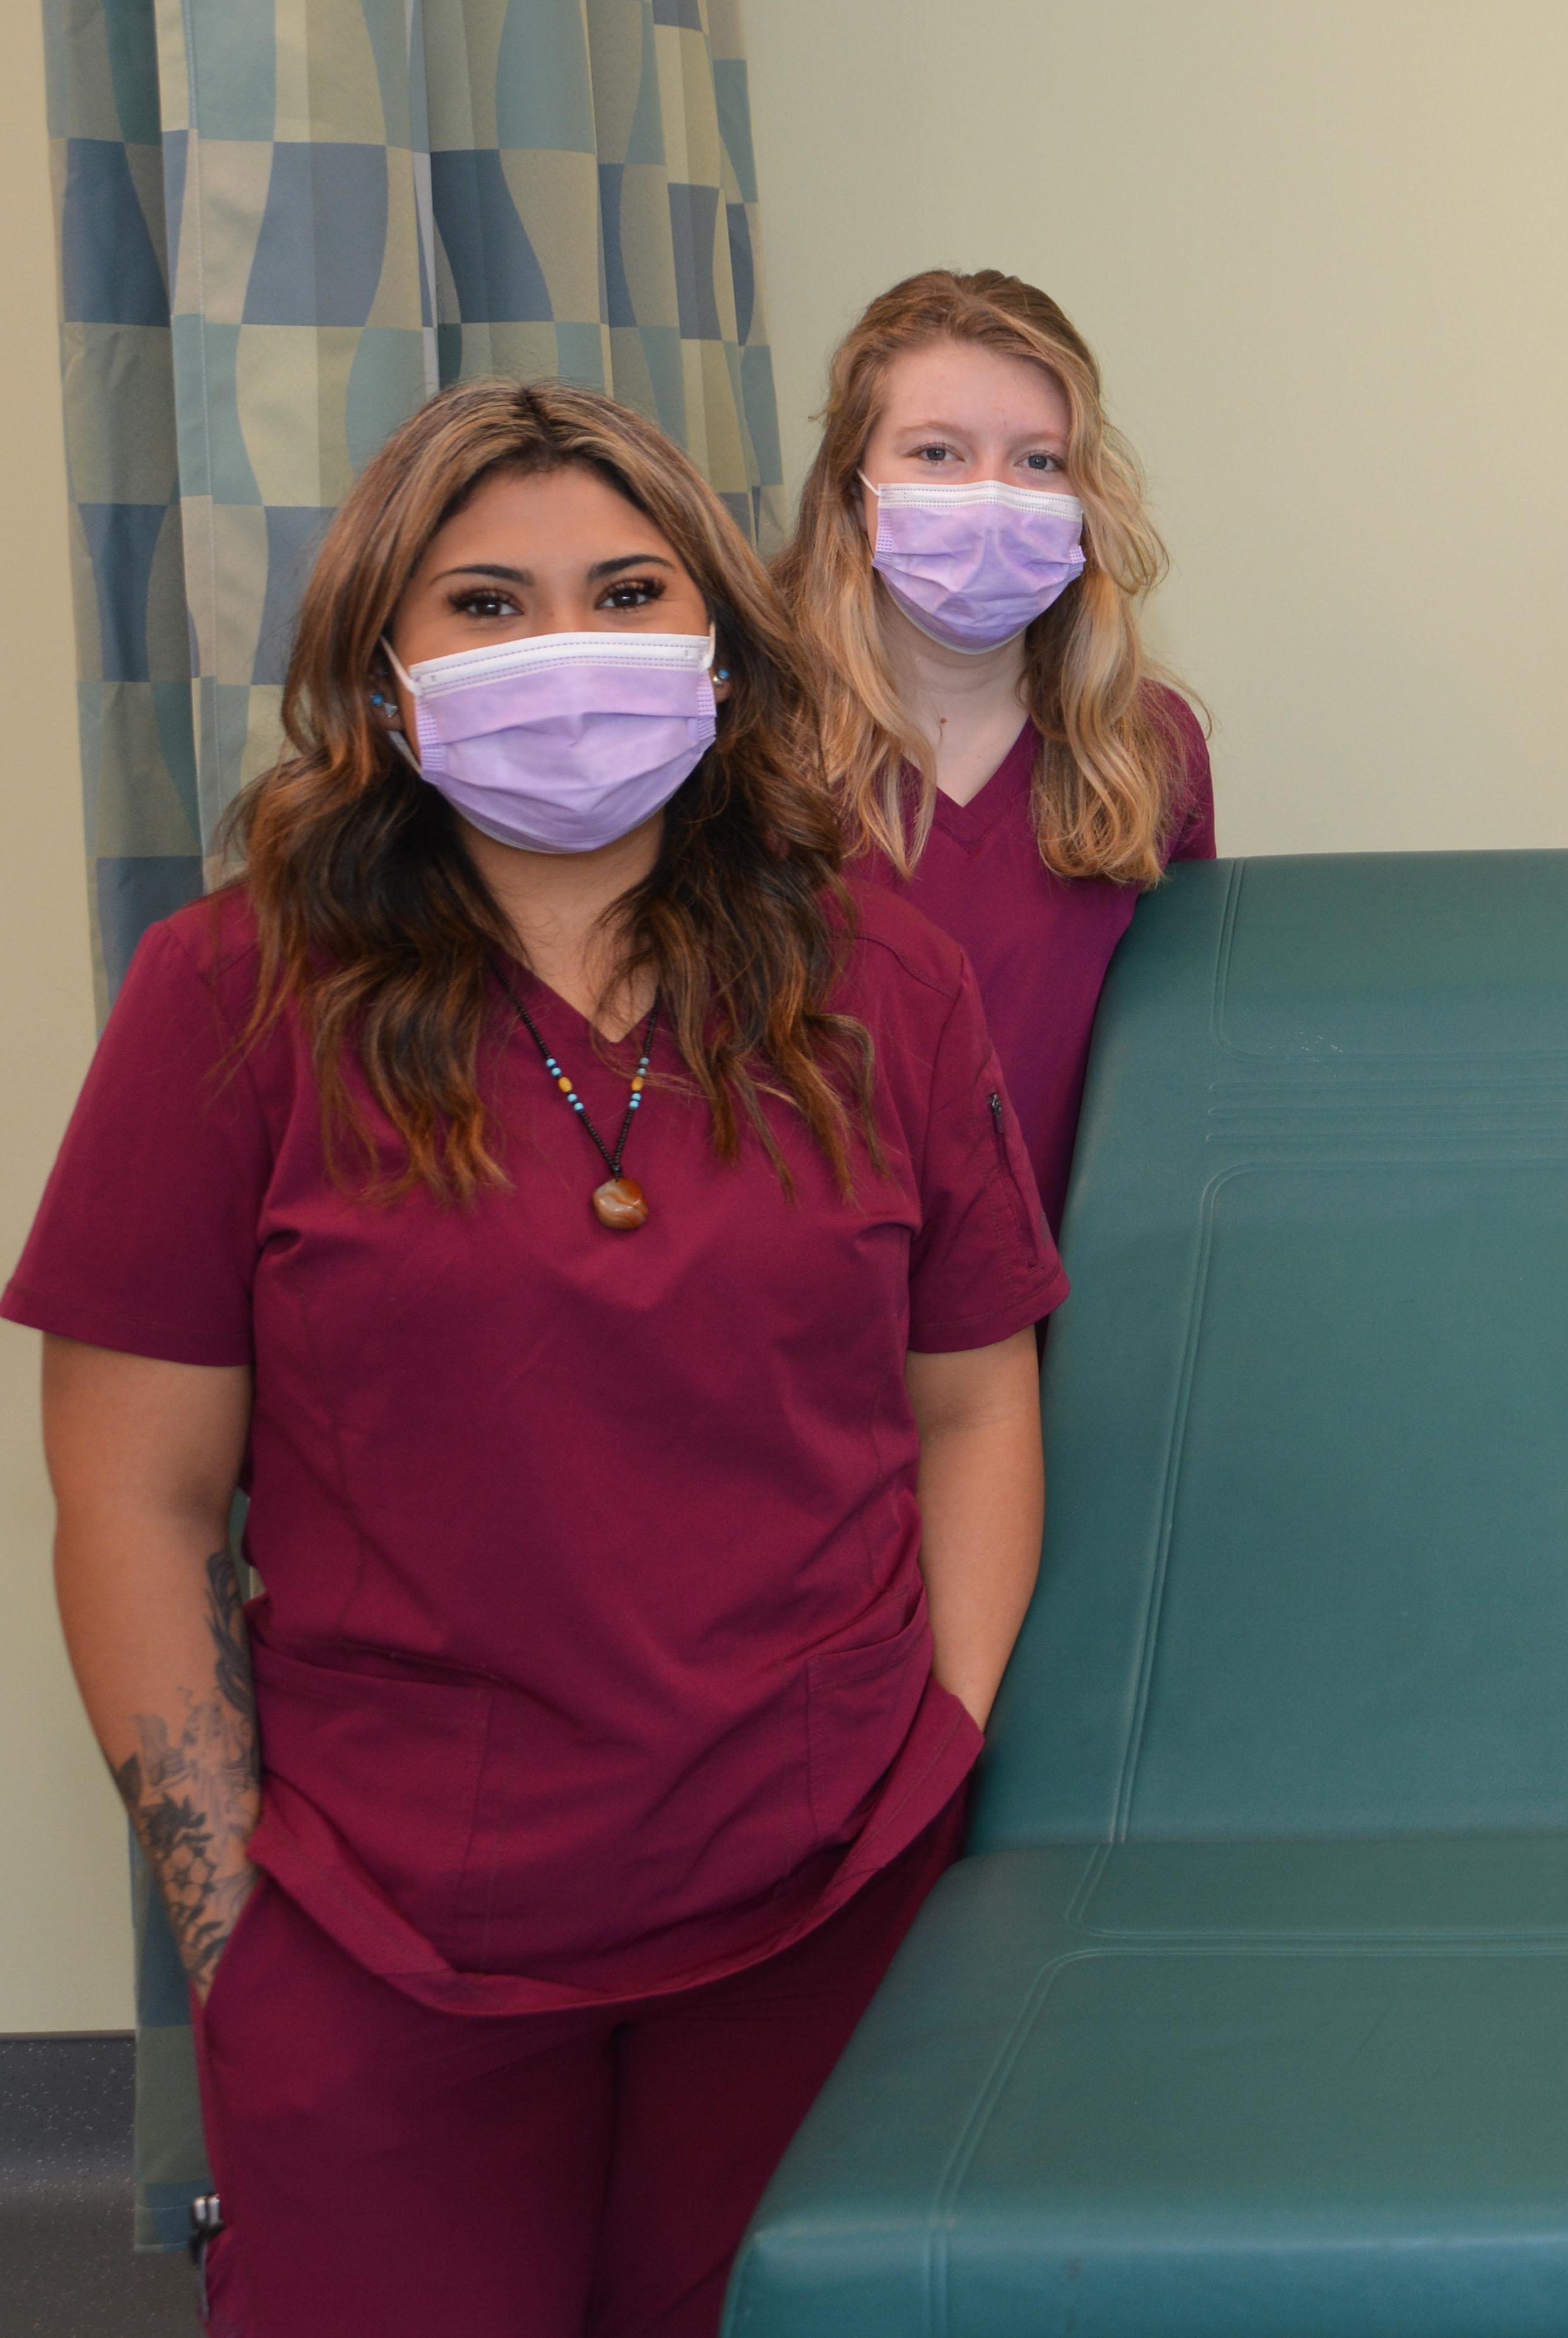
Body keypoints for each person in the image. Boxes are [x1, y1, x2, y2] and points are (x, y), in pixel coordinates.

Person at [20, 383, 1066, 2335]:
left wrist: (942, 1737)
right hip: (385, 1934)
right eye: (486, 601)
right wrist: (228, 1918)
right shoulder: (231, 1001)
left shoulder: (875, 977)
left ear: (718, 649)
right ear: (383, 666)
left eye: (625, 588)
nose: (563, 648)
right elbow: (134, 1502)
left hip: (819, 1892)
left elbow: (971, 1394)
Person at [776, 269, 1215, 1213]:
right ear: (854, 491)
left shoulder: (1144, 748)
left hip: (1084, 1285)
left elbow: (1182, 1065)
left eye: (1038, 461)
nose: (990, 496)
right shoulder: (744, 741)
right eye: (936, 453)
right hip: (821, 1297)